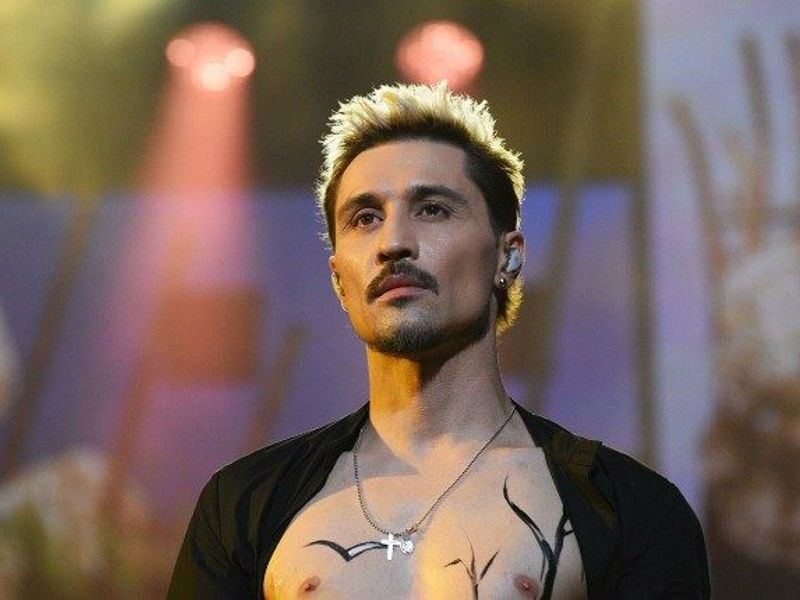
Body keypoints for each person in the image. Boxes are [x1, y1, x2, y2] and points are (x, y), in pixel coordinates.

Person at [168, 82, 710, 599]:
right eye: (365, 218)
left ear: (508, 256)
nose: (393, 243)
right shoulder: (245, 503)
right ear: (339, 280)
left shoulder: (627, 509)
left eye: (432, 209)